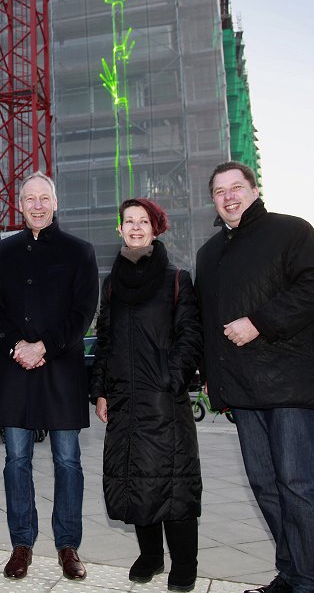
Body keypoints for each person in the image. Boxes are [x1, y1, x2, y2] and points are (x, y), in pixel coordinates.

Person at [194, 161, 314, 593]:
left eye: (237, 187)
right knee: (264, 485)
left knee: (297, 484)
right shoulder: (209, 253)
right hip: (241, 388)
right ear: (214, 201)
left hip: (289, 382)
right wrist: (209, 376)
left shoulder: (291, 231)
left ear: (255, 190)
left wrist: (259, 321)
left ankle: (311, 582)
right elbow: (207, 321)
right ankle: (291, 573)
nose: (229, 197)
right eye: (220, 192)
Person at [0, 171, 99, 582]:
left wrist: (43, 346)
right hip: (15, 371)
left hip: (61, 369)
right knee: (16, 460)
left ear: (55, 202)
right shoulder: (3, 251)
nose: (36, 205)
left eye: (43, 197)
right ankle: (22, 544)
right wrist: (16, 344)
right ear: (21, 205)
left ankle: (68, 545)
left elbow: (82, 313)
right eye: (29, 198)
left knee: (68, 461)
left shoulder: (79, 251)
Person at [91, 198, 203, 591]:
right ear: (119, 229)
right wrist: (101, 391)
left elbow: (190, 337)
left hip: (163, 398)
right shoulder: (112, 283)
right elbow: (105, 339)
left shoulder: (176, 278)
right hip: (123, 399)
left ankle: (184, 563)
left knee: (175, 481)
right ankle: (151, 555)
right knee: (134, 477)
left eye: (143, 221)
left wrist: (171, 381)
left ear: (156, 229)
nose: (135, 227)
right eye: (128, 221)